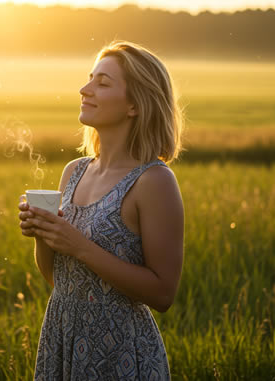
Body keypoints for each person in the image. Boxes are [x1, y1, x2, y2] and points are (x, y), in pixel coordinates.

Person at [18, 41, 184, 380]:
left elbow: (163, 293)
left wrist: (77, 245)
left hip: (119, 351)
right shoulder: (74, 171)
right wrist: (43, 234)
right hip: (61, 337)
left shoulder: (153, 181)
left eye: (103, 83)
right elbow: (58, 279)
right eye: (90, 78)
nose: (85, 89)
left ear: (135, 105)